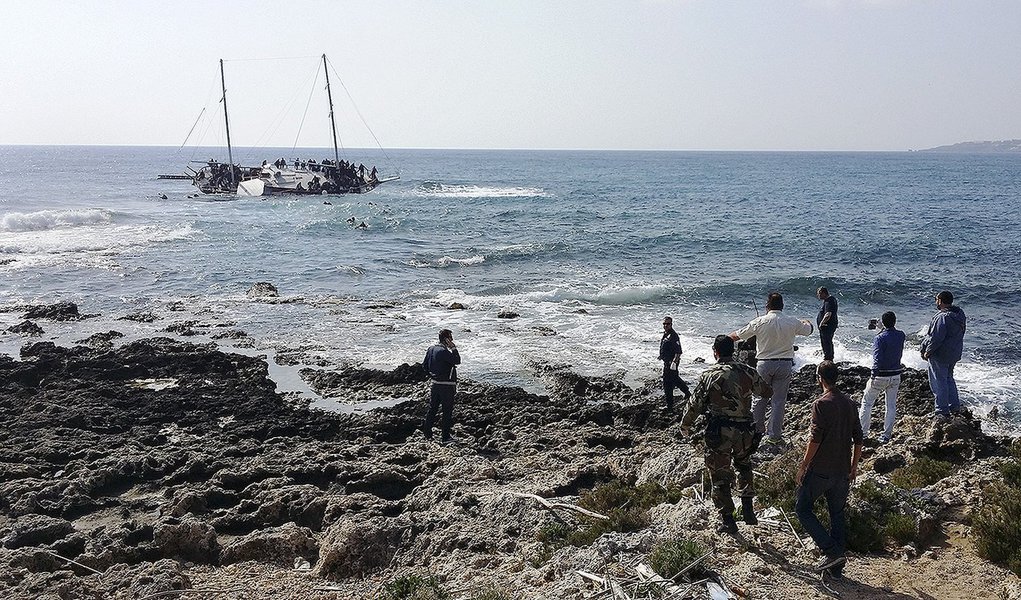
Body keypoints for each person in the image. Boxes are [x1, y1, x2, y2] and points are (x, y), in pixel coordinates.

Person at [681, 335, 773, 533]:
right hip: (745, 431)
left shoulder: (709, 375)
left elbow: (695, 404)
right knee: (744, 465)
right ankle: (747, 507)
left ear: (715, 352)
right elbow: (766, 392)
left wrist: (685, 425)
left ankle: (728, 520)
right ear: (733, 351)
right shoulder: (747, 371)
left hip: (719, 432)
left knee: (720, 475)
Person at [795, 361, 863, 575]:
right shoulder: (850, 404)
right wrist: (853, 467)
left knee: (803, 509)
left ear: (820, 379)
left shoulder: (821, 404)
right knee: (837, 514)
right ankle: (837, 568)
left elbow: (815, 439)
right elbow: (858, 438)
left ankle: (831, 551)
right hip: (842, 470)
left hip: (821, 470)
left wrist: (804, 465)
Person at [729, 293, 814, 448]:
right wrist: (806, 321)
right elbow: (809, 330)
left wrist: (722, 340)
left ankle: (756, 432)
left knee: (759, 399)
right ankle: (774, 436)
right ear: (782, 306)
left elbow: (737, 335)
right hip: (785, 364)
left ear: (767, 306)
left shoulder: (760, 321)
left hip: (764, 364)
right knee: (779, 402)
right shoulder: (791, 322)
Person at [859, 311, 905, 442]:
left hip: (880, 376)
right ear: (895, 321)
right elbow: (891, 334)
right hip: (896, 374)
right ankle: (886, 435)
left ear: (883, 323)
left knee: (867, 403)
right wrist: (883, 327)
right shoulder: (901, 335)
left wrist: (873, 374)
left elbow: (877, 359)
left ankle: (863, 434)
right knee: (890, 406)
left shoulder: (879, 338)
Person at [921, 291, 967, 417]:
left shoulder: (942, 317)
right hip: (954, 352)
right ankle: (954, 407)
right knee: (949, 379)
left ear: (940, 301)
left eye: (936, 299)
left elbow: (936, 338)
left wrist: (928, 351)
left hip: (940, 354)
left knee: (938, 381)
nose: (936, 301)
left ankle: (941, 410)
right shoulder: (959, 313)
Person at [422, 329, 461, 444]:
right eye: (450, 338)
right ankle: (445, 437)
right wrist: (453, 348)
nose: (452, 340)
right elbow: (457, 360)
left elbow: (424, 366)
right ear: (446, 339)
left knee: (432, 409)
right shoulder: (444, 351)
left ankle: (427, 434)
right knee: (447, 411)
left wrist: (433, 376)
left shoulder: (431, 349)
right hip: (447, 385)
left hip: (435, 384)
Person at [659, 317, 688, 410]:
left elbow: (678, 351)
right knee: (675, 379)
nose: (665, 326)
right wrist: (662, 356)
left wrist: (674, 363)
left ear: (671, 324)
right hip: (667, 362)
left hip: (672, 363)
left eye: (668, 324)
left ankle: (670, 406)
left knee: (667, 383)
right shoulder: (666, 334)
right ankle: (687, 393)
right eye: (664, 324)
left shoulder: (673, 335)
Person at [816, 287, 838, 361]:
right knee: (827, 341)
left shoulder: (829, 301)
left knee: (826, 342)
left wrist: (821, 323)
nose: (818, 296)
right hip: (829, 325)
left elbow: (828, 314)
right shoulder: (830, 300)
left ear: (823, 293)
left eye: (818, 294)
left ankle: (828, 358)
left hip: (827, 326)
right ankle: (828, 357)